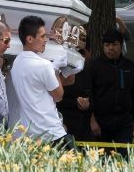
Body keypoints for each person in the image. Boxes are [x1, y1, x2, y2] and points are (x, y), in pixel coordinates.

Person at [9, 16, 80, 150]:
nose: (46, 40)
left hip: (29, 133)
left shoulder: (16, 63)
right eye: (42, 36)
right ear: (30, 39)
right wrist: (55, 69)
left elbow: (40, 86)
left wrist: (63, 73)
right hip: (51, 132)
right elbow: (58, 96)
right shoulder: (44, 65)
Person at [79, 28, 134, 156]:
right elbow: (87, 93)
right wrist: (92, 121)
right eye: (107, 45)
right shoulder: (94, 66)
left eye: (114, 45)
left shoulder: (130, 66)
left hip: (124, 122)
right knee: (101, 161)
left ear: (121, 45)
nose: (110, 48)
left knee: (123, 158)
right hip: (100, 123)